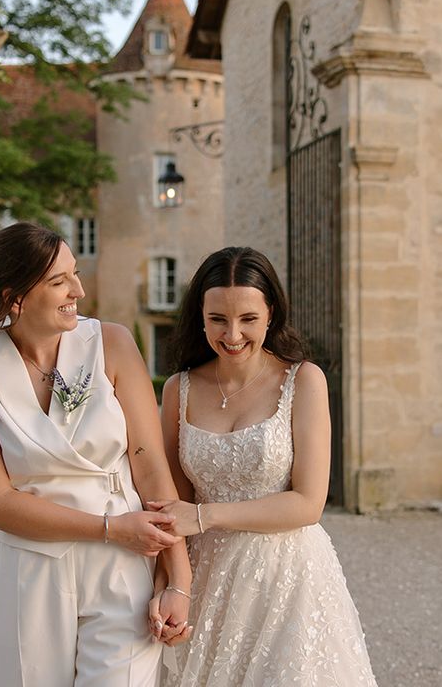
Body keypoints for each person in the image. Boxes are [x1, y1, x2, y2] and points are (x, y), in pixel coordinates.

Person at [0, 222, 193, 687]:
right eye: (59, 281)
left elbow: (152, 471)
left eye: (74, 274)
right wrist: (108, 530)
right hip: (30, 566)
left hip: (124, 562)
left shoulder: (112, 343)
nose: (78, 290)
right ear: (12, 297)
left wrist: (177, 577)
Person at [150, 246, 378, 687]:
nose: (232, 334)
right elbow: (171, 504)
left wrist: (205, 515)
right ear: (200, 314)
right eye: (218, 319)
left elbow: (308, 504)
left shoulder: (303, 380)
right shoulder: (177, 389)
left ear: (270, 313)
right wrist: (170, 585)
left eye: (247, 319)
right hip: (208, 579)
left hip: (287, 576)